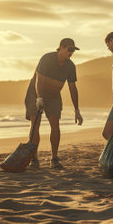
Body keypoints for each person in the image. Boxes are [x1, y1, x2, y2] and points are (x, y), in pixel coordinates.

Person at [25, 38, 83, 169]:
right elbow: (39, 80)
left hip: (54, 95)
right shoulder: (47, 59)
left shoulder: (70, 66)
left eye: (73, 50)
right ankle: (34, 158)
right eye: (69, 49)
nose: (71, 53)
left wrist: (77, 110)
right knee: (35, 123)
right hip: (36, 92)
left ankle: (54, 159)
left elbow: (73, 88)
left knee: (55, 124)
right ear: (61, 48)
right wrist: (39, 98)